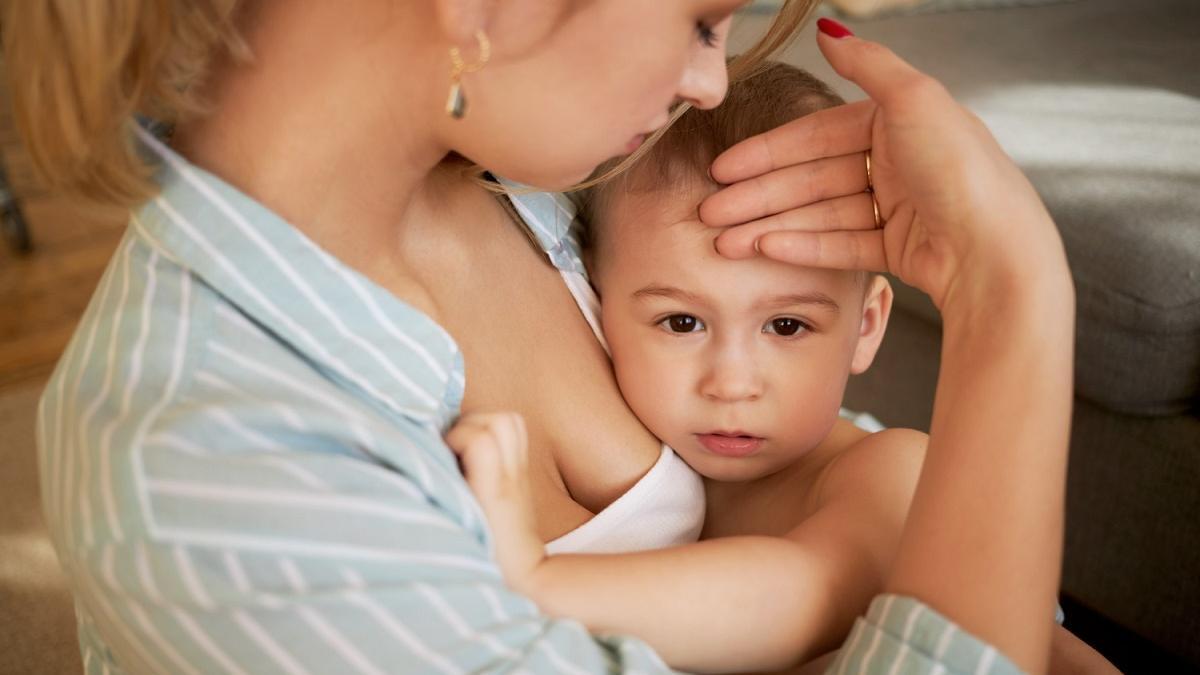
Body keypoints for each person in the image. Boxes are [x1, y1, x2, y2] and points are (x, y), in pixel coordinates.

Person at [5, 0, 1077, 670]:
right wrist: (1013, 297)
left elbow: (813, 484)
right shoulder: (212, 475)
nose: (710, 79)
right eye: (702, 20)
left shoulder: (552, 193)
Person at [448, 61, 1113, 675]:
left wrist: (535, 580)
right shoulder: (671, 464)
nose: (733, 382)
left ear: (866, 326)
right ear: (595, 302)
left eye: (787, 325)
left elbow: (794, 595)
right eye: (682, 322)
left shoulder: (893, 474)